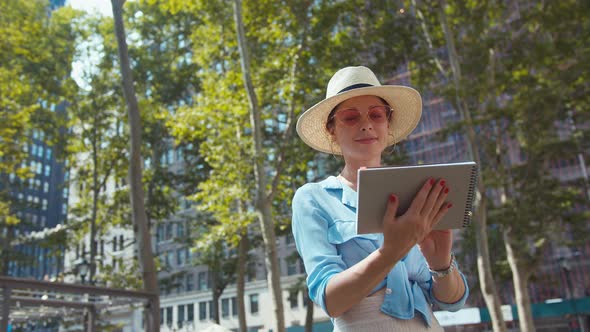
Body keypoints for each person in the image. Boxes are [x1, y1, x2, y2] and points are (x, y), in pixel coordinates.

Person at [291, 66, 469, 331]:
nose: (366, 124)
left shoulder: (417, 194)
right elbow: (330, 299)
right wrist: (392, 251)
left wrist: (441, 262)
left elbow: (453, 302)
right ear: (332, 130)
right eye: (350, 117)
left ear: (388, 124)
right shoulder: (314, 198)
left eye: (377, 115)